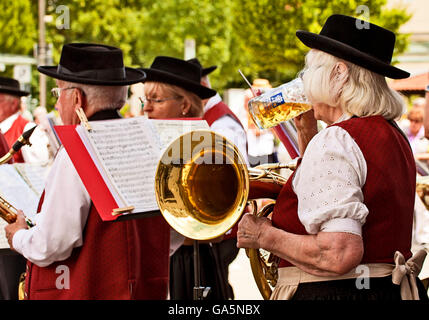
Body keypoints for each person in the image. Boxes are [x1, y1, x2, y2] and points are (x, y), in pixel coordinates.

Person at [237, 14, 428, 300]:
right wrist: (308, 138)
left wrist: (264, 236)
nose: (304, 80)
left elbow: (339, 252)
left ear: (339, 74)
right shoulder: (391, 133)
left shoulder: (337, 139)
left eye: (311, 69)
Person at [4, 43, 170, 300]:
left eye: (58, 94)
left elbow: (53, 243)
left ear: (77, 98)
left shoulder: (78, 148)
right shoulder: (149, 141)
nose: (57, 106)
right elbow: (171, 237)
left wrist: (20, 237)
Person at [141, 56, 237, 300]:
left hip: (191, 259)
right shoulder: (148, 142)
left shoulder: (204, 148)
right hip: (159, 258)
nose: (146, 108)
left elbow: (216, 223)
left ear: (184, 104)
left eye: (156, 100)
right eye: (145, 99)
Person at [188, 57, 249, 300]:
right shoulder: (213, 118)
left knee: (214, 286)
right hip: (213, 225)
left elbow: (232, 176)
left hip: (223, 226)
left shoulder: (222, 124)